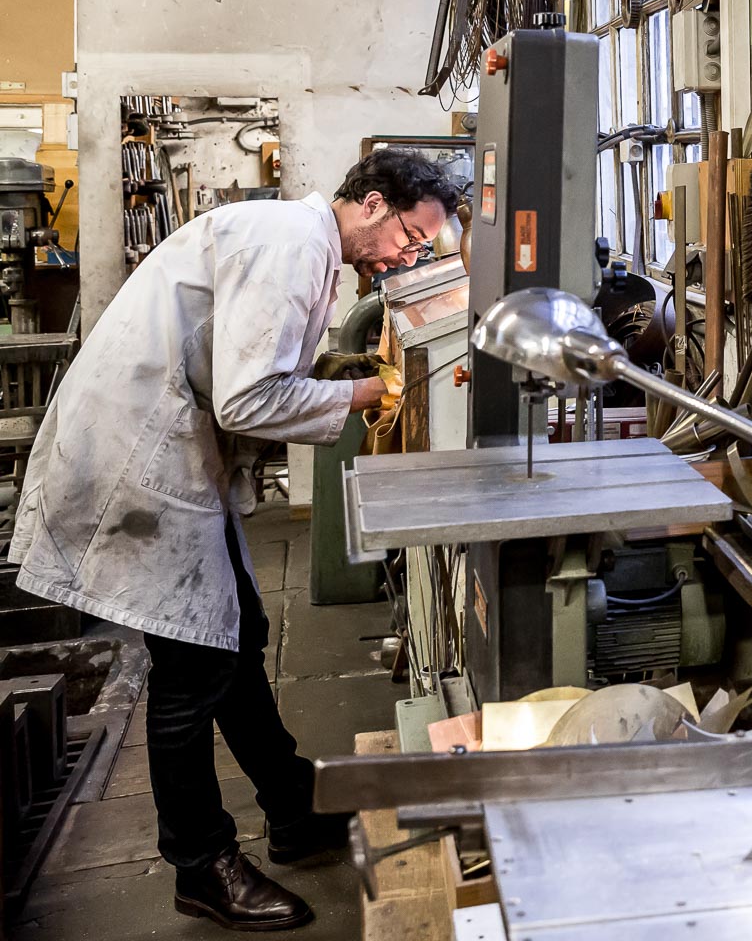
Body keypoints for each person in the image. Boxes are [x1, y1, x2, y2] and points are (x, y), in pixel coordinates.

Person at [6, 149, 459, 930]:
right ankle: (199, 863)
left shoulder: (302, 243)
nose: (409, 258)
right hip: (139, 458)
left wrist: (327, 366)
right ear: (376, 204)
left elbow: (242, 359)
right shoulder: (293, 244)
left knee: (238, 631)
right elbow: (251, 399)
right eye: (413, 240)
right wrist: (364, 388)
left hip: (170, 449)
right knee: (190, 668)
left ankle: (290, 805)